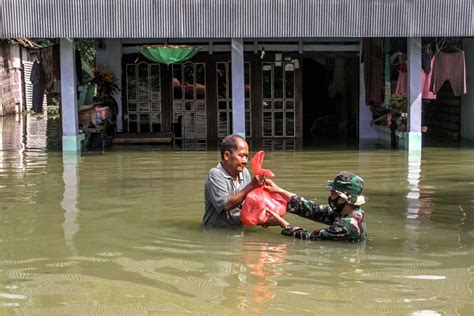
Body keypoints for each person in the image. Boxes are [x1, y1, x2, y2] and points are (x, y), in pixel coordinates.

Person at [264, 171, 368, 242]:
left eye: (333, 194)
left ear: (343, 198)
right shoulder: (348, 212)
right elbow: (314, 210)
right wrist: (279, 191)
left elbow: (309, 238)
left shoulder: (347, 226)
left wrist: (283, 224)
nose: (330, 197)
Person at [203, 134, 265, 229]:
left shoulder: (244, 173)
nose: (245, 161)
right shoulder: (215, 174)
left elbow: (248, 203)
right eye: (242, 156)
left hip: (238, 229)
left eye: (246, 157)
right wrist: (251, 185)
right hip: (217, 232)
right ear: (227, 155)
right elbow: (226, 205)